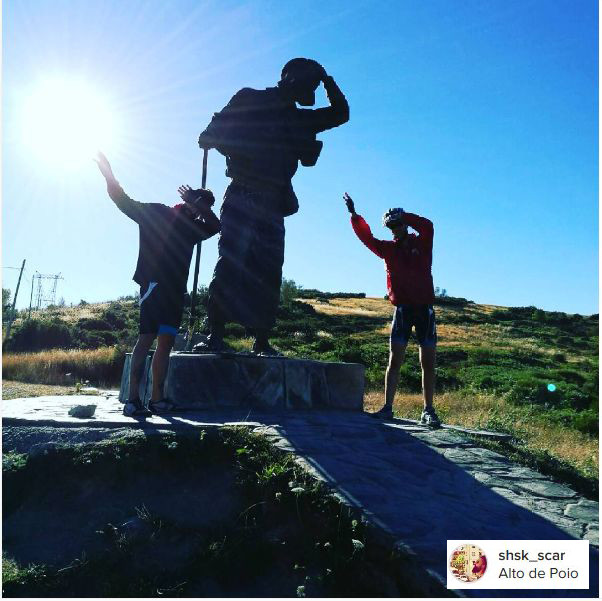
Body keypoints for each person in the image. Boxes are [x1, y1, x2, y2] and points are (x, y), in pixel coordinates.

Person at [196, 58, 349, 354]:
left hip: (274, 201)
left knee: (269, 270)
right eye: (313, 84)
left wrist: (328, 78)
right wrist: (211, 136)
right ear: (295, 81)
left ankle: (262, 338)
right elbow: (215, 127)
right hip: (242, 193)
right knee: (231, 262)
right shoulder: (250, 98)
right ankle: (215, 332)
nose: (315, 91)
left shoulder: (299, 119)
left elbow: (341, 114)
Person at [95, 152, 220, 416]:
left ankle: (157, 399)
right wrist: (108, 174)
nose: (200, 211)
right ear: (187, 199)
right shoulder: (157, 213)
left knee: (166, 343)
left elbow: (216, 225)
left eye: (204, 207)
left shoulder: (194, 229)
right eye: (198, 202)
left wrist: (201, 208)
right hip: (153, 286)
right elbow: (123, 200)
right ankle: (132, 401)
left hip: (176, 292)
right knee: (146, 339)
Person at [344, 192, 440, 427]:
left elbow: (428, 226)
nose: (395, 229)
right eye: (391, 226)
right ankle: (388, 408)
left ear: (405, 224)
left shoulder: (422, 243)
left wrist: (405, 215)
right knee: (394, 360)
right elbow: (367, 239)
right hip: (403, 310)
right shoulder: (388, 249)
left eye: (398, 224)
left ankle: (428, 410)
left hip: (424, 309)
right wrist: (355, 216)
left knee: (427, 362)